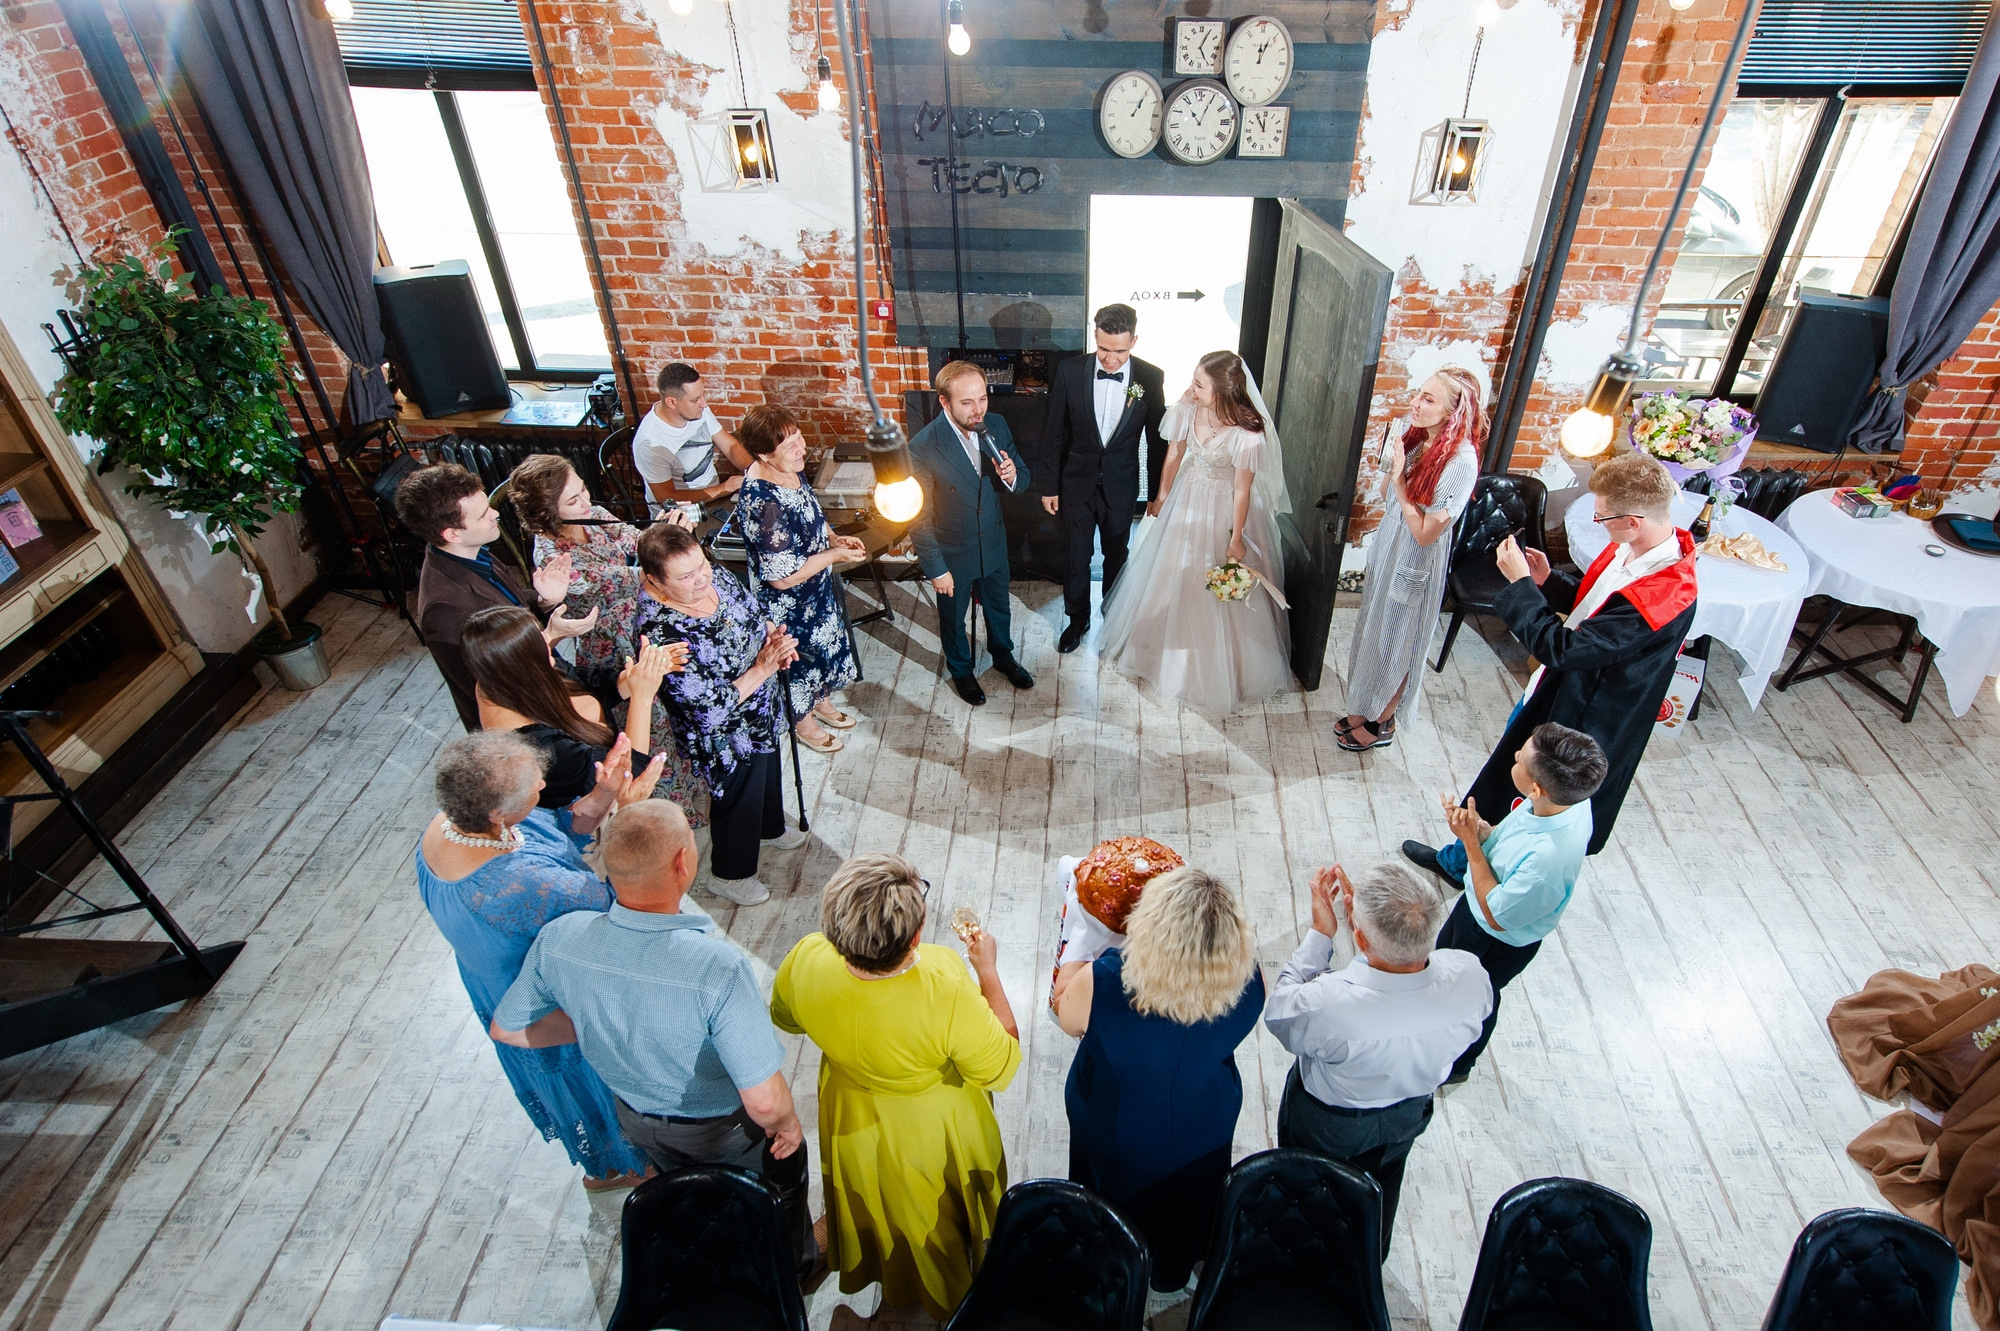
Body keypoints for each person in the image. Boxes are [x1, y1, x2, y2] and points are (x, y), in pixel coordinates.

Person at [490, 801, 816, 1279]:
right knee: (768, 1199)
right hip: (720, 1130)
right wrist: (787, 1123)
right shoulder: (715, 969)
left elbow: (508, 1027)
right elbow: (764, 1103)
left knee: (686, 1193)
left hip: (635, 1117)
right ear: (683, 862)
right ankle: (791, 1273)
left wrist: (590, 1021)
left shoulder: (561, 937)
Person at [769, 853, 1021, 1322]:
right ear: (915, 937)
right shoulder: (943, 979)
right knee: (934, 1220)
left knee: (869, 1198)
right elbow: (1002, 1063)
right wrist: (986, 969)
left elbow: (784, 1015)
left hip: (850, 1117)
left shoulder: (806, 958)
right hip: (931, 1132)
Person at [415, 729, 665, 1189]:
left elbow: (551, 827)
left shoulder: (449, 822)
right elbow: (612, 906)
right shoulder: (523, 883)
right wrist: (629, 815)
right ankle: (622, 1165)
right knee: (591, 1079)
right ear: (497, 812)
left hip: (493, 976)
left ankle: (611, 1162)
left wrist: (602, 795)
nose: (542, 789)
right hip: (543, 994)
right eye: (533, 787)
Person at [1461, 449, 1697, 855]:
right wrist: (1548, 581)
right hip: (1558, 685)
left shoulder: (1664, 593)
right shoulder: (1630, 549)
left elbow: (1564, 649)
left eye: (1603, 516)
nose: (1597, 522)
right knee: (1508, 770)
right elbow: (1596, 610)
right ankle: (1462, 853)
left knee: (1533, 789)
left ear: (1633, 522)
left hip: (1588, 709)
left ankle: (1486, 866)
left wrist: (1520, 586)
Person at [1263, 862, 1491, 1260]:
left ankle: (1301, 1252)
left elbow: (1280, 1014)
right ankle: (1371, 1250)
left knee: (1308, 1184)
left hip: (1331, 1124)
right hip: (1410, 1111)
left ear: (1360, 939)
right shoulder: (1469, 974)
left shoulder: (1329, 1004)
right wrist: (1367, 934)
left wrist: (1321, 934)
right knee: (1387, 1174)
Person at [1054, 866, 1263, 1293]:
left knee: (1110, 1202)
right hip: (1204, 1121)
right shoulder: (1249, 981)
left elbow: (1066, 1014)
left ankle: (1113, 1268)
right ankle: (1173, 1269)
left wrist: (1078, 931)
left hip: (1114, 1122)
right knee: (1186, 1203)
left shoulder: (1106, 981)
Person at [1405, 723, 1606, 1083]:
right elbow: (1509, 840)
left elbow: (1497, 915)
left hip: (1494, 937)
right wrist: (1481, 832)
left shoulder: (1548, 860)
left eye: (1521, 759)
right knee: (1444, 969)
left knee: (1474, 997)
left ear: (1534, 787)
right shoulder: (1560, 803)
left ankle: (1457, 1064)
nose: (1514, 755)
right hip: (1476, 907)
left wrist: (1469, 845)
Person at [1098, 349, 1292, 713]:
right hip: (1186, 497)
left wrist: (1235, 539)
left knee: (1214, 583)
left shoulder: (1248, 432)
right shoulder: (1189, 406)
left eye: (1200, 384)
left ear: (1221, 390)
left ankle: (1216, 666)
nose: (1192, 388)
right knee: (1170, 574)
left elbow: (1242, 489)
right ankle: (1159, 652)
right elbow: (1174, 453)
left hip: (1224, 509)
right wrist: (1160, 497)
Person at [633, 522, 805, 906]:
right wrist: (762, 667)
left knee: (767, 767)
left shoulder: (713, 575)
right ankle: (730, 873)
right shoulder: (659, 632)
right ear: (655, 581)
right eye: (686, 576)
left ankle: (770, 826)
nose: (701, 579)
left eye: (702, 567)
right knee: (738, 794)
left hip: (759, 702)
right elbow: (706, 710)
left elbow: (751, 609)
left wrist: (772, 637)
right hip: (723, 731)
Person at [1340, 368, 1486, 752]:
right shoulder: (1420, 439)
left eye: (1428, 399)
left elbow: (1425, 532)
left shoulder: (1461, 462)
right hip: (1391, 544)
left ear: (1454, 411)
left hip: (1417, 556)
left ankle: (1383, 719)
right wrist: (1391, 462)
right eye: (1419, 394)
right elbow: (1389, 491)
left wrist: (1401, 479)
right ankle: (1365, 704)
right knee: (1376, 627)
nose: (1416, 404)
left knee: (1400, 639)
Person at [461, 604, 705, 822]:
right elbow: (628, 776)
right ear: (521, 663)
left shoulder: (505, 679)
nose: (549, 645)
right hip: (594, 824)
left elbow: (586, 682)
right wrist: (642, 696)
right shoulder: (540, 749)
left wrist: (633, 677)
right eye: (540, 644)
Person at [399, 463, 593, 731]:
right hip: (530, 720)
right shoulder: (444, 610)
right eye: (481, 515)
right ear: (452, 534)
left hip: (549, 684)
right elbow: (499, 686)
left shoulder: (472, 552)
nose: (495, 513)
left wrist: (544, 599)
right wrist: (550, 636)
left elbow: (509, 605)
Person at [735, 404, 867, 753]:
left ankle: (820, 703)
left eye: (798, 437)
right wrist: (835, 556)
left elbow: (812, 511)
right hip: (788, 605)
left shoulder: (788, 469)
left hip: (815, 591)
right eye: (790, 444)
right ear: (764, 454)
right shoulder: (764, 504)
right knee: (799, 666)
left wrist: (834, 538)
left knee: (823, 654)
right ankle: (802, 722)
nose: (801, 448)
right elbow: (782, 578)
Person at [1039, 303, 1169, 654]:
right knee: (1076, 557)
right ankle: (1076, 621)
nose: (1110, 360)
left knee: (1117, 554)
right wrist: (1049, 485)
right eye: (1103, 350)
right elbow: (1053, 433)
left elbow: (1157, 441)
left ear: (1134, 341)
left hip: (1121, 485)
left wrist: (1159, 492)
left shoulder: (1150, 377)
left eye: (1119, 351)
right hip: (1075, 484)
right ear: (1094, 337)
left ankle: (1113, 617)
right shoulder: (1069, 371)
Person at [908, 360, 1035, 707]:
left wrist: (1010, 475)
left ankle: (1003, 657)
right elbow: (918, 517)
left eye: (983, 398)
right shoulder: (923, 446)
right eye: (967, 402)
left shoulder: (996, 424)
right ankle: (962, 671)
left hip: (992, 542)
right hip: (952, 552)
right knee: (953, 618)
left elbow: (1022, 478)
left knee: (999, 608)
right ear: (945, 402)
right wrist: (935, 568)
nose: (978, 410)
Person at [506, 453, 693, 687]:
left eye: (583, 490)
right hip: (612, 643)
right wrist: (668, 540)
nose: (586, 502)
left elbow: (637, 542)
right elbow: (638, 578)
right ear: (547, 512)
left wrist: (664, 525)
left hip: (640, 611)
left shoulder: (590, 514)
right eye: (573, 501)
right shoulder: (553, 559)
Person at [633, 363, 752, 512]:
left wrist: (755, 471)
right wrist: (723, 488)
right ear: (671, 402)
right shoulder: (650, 444)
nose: (704, 403)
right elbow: (667, 497)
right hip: (681, 514)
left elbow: (730, 446)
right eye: (695, 400)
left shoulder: (698, 411)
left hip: (714, 499)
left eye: (702, 395)